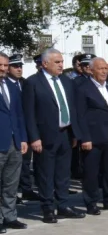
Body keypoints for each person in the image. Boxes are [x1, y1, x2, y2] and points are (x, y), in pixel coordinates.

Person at [22, 47, 86, 223]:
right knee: (45, 174)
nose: (61, 65)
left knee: (63, 173)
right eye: (57, 62)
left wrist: (74, 133)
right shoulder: (33, 83)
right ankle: (48, 207)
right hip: (44, 136)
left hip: (65, 134)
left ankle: (63, 204)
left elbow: (72, 108)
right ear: (45, 63)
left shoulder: (66, 81)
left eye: (62, 62)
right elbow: (29, 113)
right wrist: (34, 137)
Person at [75, 57, 108, 215]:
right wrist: (85, 138)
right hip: (92, 137)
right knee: (91, 172)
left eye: (106, 68)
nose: (104, 71)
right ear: (91, 70)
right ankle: (91, 202)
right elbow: (80, 115)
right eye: (100, 68)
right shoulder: (83, 88)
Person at [0, 53, 28, 234]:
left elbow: (19, 114)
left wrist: (23, 138)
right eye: (0, 65)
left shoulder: (12, 86)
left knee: (11, 183)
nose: (2, 69)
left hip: (15, 141)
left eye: (4, 65)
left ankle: (9, 216)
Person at [7, 55, 35, 203]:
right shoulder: (5, 84)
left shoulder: (24, 83)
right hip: (11, 131)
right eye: (15, 66)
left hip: (24, 129)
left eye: (20, 66)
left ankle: (26, 189)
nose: (19, 69)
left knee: (24, 161)